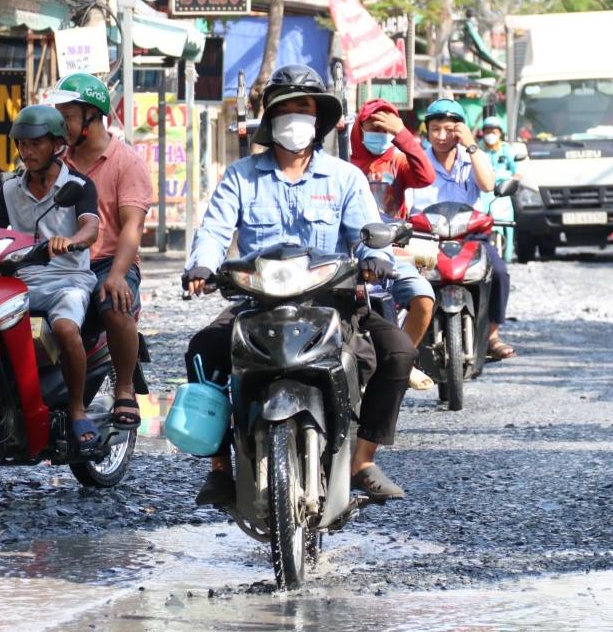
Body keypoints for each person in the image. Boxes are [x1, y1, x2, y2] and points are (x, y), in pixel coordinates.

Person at [183, 65, 417, 506]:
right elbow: (214, 231)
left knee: (398, 351)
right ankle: (219, 467)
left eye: (304, 108)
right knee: (203, 349)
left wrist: (375, 261)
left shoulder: (345, 178)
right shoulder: (240, 176)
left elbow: (370, 231)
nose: (295, 117)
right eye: (286, 108)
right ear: (270, 117)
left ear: (319, 119)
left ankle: (363, 459)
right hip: (257, 303)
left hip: (333, 302)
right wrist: (201, 267)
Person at [0, 105, 101, 450]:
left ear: (56, 145)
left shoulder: (79, 185)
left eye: (36, 144)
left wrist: (73, 242)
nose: (27, 152)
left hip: (68, 278)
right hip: (22, 280)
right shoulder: (9, 189)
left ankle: (78, 410)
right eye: (22, 144)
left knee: (65, 328)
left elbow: (91, 227)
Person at [47, 73, 152, 430]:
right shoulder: (56, 162)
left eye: (67, 117)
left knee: (114, 302)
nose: (60, 125)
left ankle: (124, 387)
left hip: (109, 261)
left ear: (92, 117)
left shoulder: (127, 163)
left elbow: (132, 228)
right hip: (61, 261)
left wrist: (118, 274)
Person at [406, 99, 516, 360]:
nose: (442, 136)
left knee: (498, 272)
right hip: (427, 237)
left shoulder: (473, 157)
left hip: (470, 236)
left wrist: (471, 146)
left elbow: (488, 185)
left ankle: (491, 335)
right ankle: (407, 337)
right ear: (426, 131)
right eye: (435, 129)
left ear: (461, 131)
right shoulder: (417, 161)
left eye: (449, 129)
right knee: (402, 278)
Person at [349, 98, 437, 389]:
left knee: (423, 297)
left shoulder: (398, 161)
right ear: (359, 128)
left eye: (386, 126)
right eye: (373, 125)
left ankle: (404, 361)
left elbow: (426, 176)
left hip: (394, 253)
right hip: (353, 255)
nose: (379, 131)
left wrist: (402, 135)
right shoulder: (344, 167)